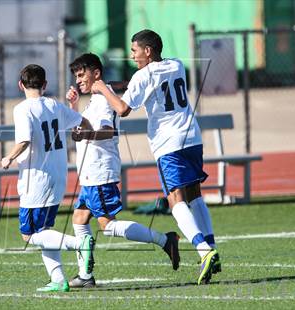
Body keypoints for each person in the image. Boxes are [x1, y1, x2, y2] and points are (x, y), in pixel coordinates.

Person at [91, 29, 221, 285]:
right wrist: (118, 87)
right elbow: (144, 85)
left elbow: (123, 108)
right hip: (192, 137)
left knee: (176, 200)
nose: (132, 56)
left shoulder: (143, 75)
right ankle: (211, 246)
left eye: (135, 50)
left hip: (168, 143)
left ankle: (204, 252)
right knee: (195, 195)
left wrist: (102, 89)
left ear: (147, 51)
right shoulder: (176, 64)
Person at [66, 53, 181, 288]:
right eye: (75, 76)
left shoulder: (102, 101)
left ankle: (165, 240)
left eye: (81, 75)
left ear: (96, 74)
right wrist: (74, 107)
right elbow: (84, 126)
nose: (78, 80)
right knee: (79, 218)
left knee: (107, 225)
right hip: (90, 174)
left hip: (100, 173)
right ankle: (85, 275)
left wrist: (85, 133)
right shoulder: (96, 96)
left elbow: (107, 132)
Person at [1, 64, 95, 292]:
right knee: (44, 232)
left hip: (37, 179)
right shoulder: (54, 105)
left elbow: (24, 141)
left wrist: (8, 158)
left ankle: (78, 243)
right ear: (45, 85)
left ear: (20, 85)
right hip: (58, 175)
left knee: (28, 235)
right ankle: (57, 278)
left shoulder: (22, 109)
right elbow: (82, 122)